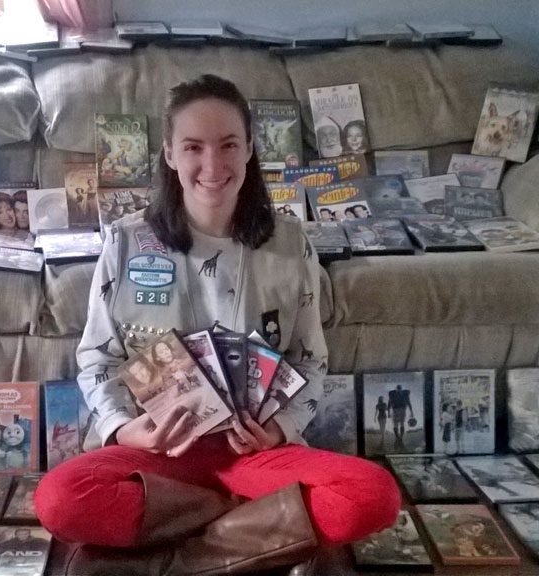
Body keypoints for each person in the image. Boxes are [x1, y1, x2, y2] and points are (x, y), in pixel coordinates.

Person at [34, 74, 400, 576]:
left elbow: (310, 360)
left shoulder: (292, 244)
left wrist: (279, 430)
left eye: (229, 144)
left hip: (253, 458)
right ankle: (255, 532)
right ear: (169, 154)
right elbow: (98, 358)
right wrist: (125, 429)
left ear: (250, 149)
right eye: (193, 147)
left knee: (373, 496)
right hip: (162, 457)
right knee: (59, 501)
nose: (212, 164)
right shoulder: (126, 242)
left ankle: (188, 544)